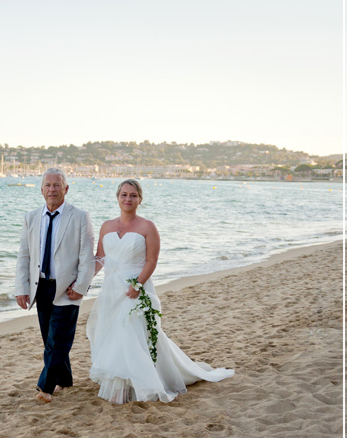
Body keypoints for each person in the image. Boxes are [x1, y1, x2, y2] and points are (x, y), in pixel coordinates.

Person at [86, 179, 234, 404]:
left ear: (140, 199)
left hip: (134, 288)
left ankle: (131, 385)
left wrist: (137, 285)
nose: (128, 199)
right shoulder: (107, 226)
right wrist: (85, 280)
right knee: (112, 332)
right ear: (117, 197)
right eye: (124, 195)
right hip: (110, 289)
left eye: (133, 195)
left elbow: (151, 261)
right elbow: (101, 258)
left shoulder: (147, 227)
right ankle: (122, 379)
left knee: (129, 332)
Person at [15, 168, 95, 403]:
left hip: (68, 289)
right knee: (49, 338)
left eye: (57, 185)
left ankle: (46, 388)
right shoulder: (31, 217)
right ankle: (65, 379)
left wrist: (81, 287)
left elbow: (87, 257)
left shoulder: (79, 216)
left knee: (57, 340)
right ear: (41, 190)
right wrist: (22, 287)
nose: (52, 189)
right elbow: (24, 255)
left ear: (66, 189)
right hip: (41, 288)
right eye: (48, 185)